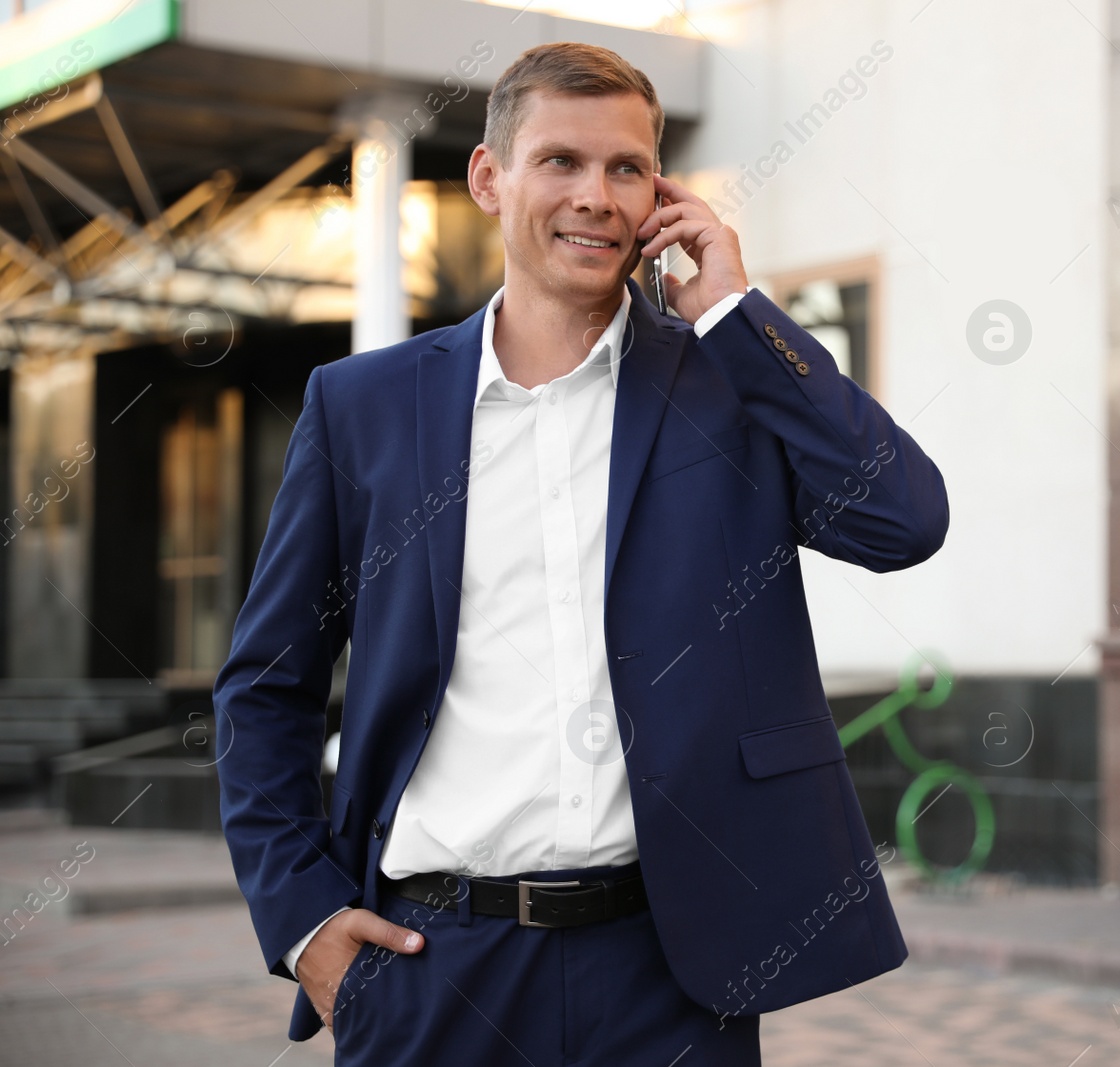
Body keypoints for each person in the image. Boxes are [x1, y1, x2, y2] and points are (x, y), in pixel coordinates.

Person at [214, 40, 949, 1066]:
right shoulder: (363, 408)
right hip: (432, 967)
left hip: (671, 971)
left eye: (626, 168)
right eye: (560, 161)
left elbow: (902, 519)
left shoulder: (722, 388)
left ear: (660, 191)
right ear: (489, 177)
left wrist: (737, 315)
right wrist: (304, 923)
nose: (596, 196)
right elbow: (264, 684)